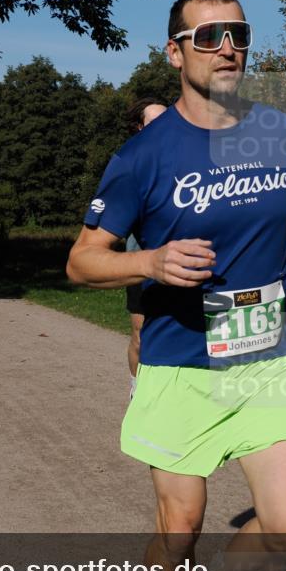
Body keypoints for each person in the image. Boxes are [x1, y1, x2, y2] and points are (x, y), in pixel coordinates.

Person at [67, 0, 286, 571]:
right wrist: (149, 262)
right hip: (181, 367)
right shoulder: (143, 156)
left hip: (267, 358)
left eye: (237, 32)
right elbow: (82, 259)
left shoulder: (276, 128)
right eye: (208, 35)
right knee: (178, 530)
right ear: (175, 50)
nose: (227, 47)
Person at [124, 97, 168, 398]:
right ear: (139, 128)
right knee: (142, 334)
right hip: (141, 251)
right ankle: (137, 388)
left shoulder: (188, 154)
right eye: (154, 122)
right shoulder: (130, 161)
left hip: (184, 250)